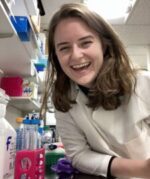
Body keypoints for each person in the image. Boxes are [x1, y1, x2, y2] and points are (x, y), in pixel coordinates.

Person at [40, 3, 150, 179]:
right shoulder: (63, 98)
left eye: (85, 43)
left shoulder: (142, 84)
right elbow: (78, 154)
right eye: (64, 48)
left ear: (104, 45)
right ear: (56, 56)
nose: (76, 55)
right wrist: (139, 168)